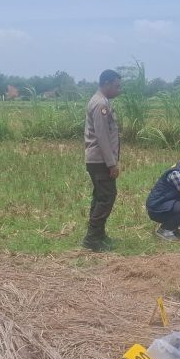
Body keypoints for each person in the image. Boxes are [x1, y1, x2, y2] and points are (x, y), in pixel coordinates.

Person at [82, 69, 121, 252]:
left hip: (98, 160)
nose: (118, 90)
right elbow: (103, 136)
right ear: (106, 84)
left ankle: (98, 235)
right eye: (116, 86)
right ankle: (92, 238)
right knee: (106, 197)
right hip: (100, 160)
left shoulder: (101, 102)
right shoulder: (100, 105)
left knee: (101, 197)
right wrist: (111, 163)